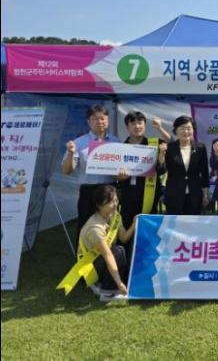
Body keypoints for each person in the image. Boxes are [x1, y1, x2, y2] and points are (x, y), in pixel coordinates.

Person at [62, 104, 121, 240]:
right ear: (89, 122)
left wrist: (122, 175)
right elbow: (66, 171)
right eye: (95, 119)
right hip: (89, 192)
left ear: (108, 120)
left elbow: (119, 171)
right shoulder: (78, 143)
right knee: (85, 227)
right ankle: (83, 253)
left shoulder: (116, 141)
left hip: (109, 191)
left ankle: (109, 253)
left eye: (102, 118)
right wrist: (71, 154)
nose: (99, 122)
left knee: (110, 228)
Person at [79, 185, 137, 297]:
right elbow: (108, 255)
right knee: (118, 251)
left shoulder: (115, 215)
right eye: (110, 202)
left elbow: (123, 238)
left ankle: (110, 284)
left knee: (120, 250)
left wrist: (134, 223)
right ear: (99, 205)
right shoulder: (95, 228)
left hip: (103, 258)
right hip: (89, 266)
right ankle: (107, 290)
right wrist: (119, 283)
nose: (115, 204)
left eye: (116, 200)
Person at [117, 111, 171, 231]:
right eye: (133, 124)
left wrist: (160, 128)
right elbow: (117, 177)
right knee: (127, 226)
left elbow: (173, 143)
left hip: (149, 194)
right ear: (127, 127)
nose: (137, 126)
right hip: (128, 195)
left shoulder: (154, 144)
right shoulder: (121, 148)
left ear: (145, 125)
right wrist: (120, 177)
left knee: (148, 229)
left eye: (140, 123)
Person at [157, 116, 209, 215]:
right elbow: (161, 171)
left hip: (195, 197)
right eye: (182, 128)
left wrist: (205, 195)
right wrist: (161, 156)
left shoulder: (200, 148)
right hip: (174, 197)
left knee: (193, 223)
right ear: (176, 130)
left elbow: (205, 173)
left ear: (193, 130)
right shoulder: (169, 148)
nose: (186, 132)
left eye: (189, 128)